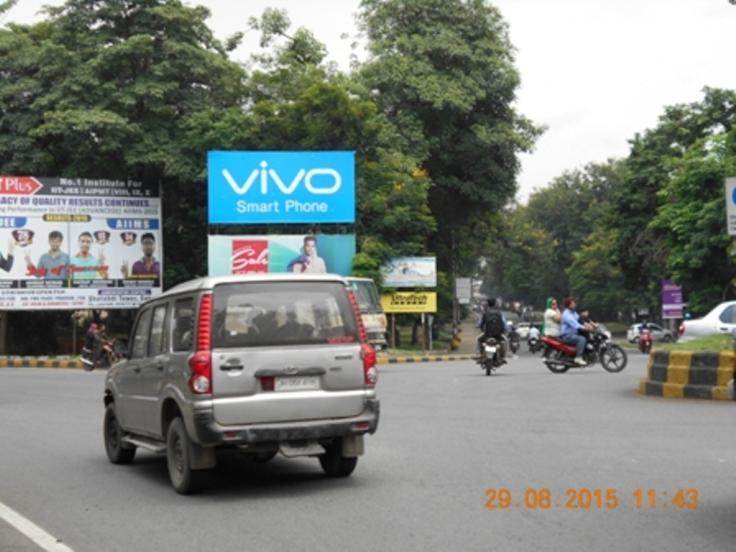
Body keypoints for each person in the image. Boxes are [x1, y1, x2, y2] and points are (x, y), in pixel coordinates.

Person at [560, 297, 593, 366]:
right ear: (569, 305)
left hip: (573, 334)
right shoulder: (566, 314)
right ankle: (578, 357)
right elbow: (574, 324)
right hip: (567, 335)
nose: (575, 304)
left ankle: (585, 353)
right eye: (573, 303)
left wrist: (588, 325)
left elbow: (580, 320)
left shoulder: (573, 312)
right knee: (582, 339)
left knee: (586, 335)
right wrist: (584, 328)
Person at [479, 298, 508, 362]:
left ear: (488, 304)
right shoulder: (499, 313)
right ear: (495, 304)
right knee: (505, 341)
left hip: (487, 333)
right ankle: (502, 356)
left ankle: (481, 354)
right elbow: (503, 323)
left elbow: (482, 323)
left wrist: (481, 329)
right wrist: (503, 331)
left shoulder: (485, 313)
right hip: (498, 334)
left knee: (479, 339)